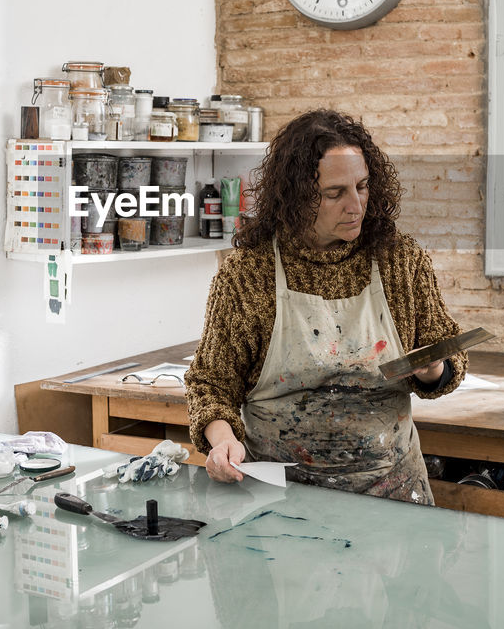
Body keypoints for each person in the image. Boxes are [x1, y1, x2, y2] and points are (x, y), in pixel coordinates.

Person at [185, 109, 467, 505]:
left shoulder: (399, 261)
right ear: (297, 197)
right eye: (335, 193)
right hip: (281, 495)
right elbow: (211, 384)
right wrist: (223, 440)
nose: (356, 205)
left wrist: (434, 368)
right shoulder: (249, 275)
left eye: (363, 186)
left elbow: (448, 356)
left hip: (392, 492)